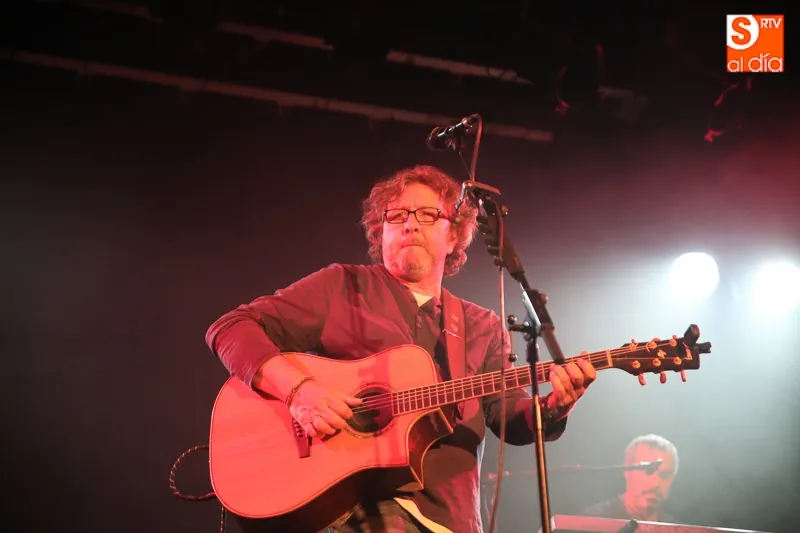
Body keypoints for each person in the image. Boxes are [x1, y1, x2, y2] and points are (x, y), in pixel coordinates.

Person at [205, 165, 597, 533]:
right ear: (380, 232)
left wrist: (555, 405)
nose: (410, 224)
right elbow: (230, 328)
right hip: (353, 515)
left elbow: (510, 416)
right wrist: (298, 391)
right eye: (396, 216)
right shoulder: (342, 287)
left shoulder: (482, 326)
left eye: (428, 214)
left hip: (449, 519)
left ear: (454, 235)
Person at [582, 434, 680, 524]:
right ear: (627, 472)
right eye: (648, 471)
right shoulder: (593, 521)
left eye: (664, 475)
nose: (655, 483)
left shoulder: (678, 529)